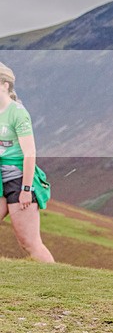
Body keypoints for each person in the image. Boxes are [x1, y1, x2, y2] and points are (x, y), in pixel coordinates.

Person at [0, 63, 54, 263]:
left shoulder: (17, 113)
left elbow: (30, 153)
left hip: (18, 179)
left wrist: (26, 189)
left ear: (5, 85)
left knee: (29, 243)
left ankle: (61, 284)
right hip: (0, 178)